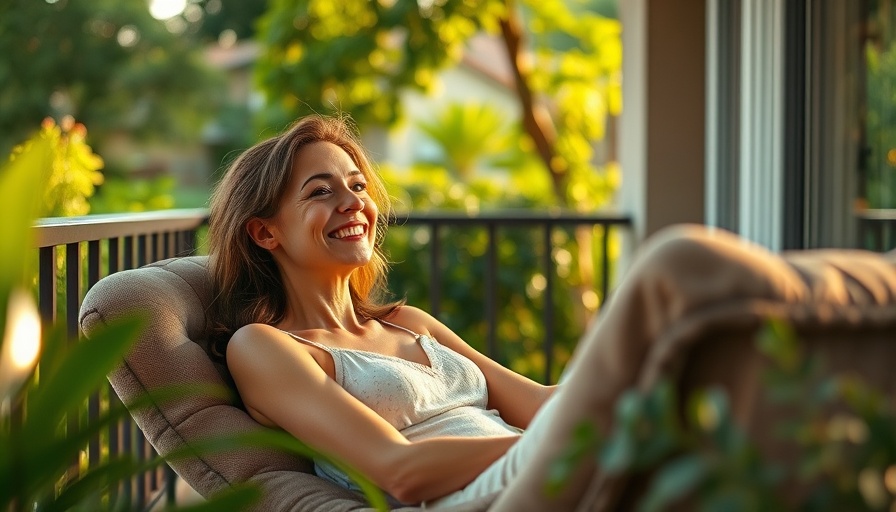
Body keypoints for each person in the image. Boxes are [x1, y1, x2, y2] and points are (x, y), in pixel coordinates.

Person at [206, 114, 634, 510]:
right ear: (265, 232)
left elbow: (539, 402)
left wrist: (627, 395)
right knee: (672, 263)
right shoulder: (265, 347)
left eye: (357, 186)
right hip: (479, 496)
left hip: (536, 465)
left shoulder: (407, 323)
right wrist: (559, 442)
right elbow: (400, 471)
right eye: (321, 191)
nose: (354, 202)